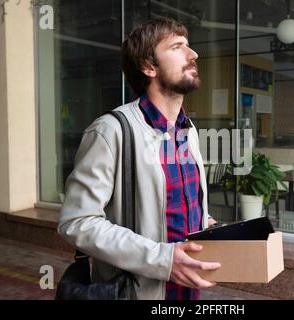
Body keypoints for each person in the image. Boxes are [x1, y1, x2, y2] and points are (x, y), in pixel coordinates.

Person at [58, 17, 220, 300]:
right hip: (135, 293)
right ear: (148, 67)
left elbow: (173, 206)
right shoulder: (111, 130)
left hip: (187, 292)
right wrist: (163, 259)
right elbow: (77, 221)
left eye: (189, 46)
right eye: (177, 47)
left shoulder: (187, 130)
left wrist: (204, 224)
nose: (193, 54)